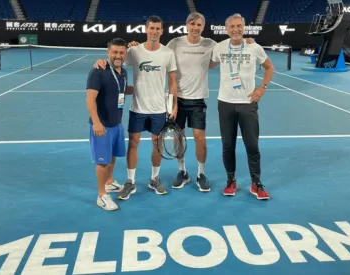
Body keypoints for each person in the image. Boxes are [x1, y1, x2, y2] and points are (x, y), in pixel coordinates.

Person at [94, 12, 254, 193]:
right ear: (187, 26)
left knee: (193, 139)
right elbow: (124, 58)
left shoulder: (206, 45)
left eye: (199, 25)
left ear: (203, 27)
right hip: (157, 103)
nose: (195, 28)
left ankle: (192, 175)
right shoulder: (166, 46)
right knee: (161, 140)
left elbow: (226, 50)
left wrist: (248, 42)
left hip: (189, 101)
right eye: (192, 25)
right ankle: (170, 173)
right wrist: (103, 61)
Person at [210, 13, 273, 200]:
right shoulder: (220, 47)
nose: (236, 29)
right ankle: (231, 180)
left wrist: (262, 88)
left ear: (244, 28)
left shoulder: (254, 47)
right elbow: (208, 64)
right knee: (228, 145)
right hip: (225, 103)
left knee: (252, 145)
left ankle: (256, 183)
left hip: (248, 103)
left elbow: (269, 67)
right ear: (226, 28)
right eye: (232, 27)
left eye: (239, 26)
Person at [116, 15, 178, 200]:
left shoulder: (168, 53)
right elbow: (117, 63)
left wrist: (173, 105)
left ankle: (154, 179)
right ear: (146, 29)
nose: (154, 32)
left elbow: (173, 81)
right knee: (133, 144)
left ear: (162, 31)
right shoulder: (135, 51)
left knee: (157, 145)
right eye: (151, 28)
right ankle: (130, 181)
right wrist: (103, 62)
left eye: (158, 28)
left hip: (159, 108)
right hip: (138, 108)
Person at [86, 37, 133, 211]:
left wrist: (143, 89)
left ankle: (109, 182)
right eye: (115, 52)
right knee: (102, 162)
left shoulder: (124, 72)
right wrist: (97, 123)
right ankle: (101, 196)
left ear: (125, 53)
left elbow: (123, 90)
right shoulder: (98, 71)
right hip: (102, 126)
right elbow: (90, 99)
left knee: (112, 156)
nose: (118, 55)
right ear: (108, 52)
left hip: (117, 124)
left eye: (121, 52)